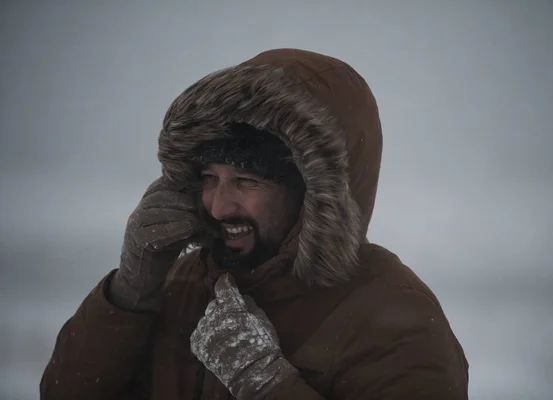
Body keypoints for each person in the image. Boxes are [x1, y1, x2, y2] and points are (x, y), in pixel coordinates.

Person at [40, 48, 469, 399]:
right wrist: (129, 293)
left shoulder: (394, 318)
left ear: (313, 194)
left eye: (247, 181)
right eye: (209, 179)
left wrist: (266, 382)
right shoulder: (184, 283)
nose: (219, 206)